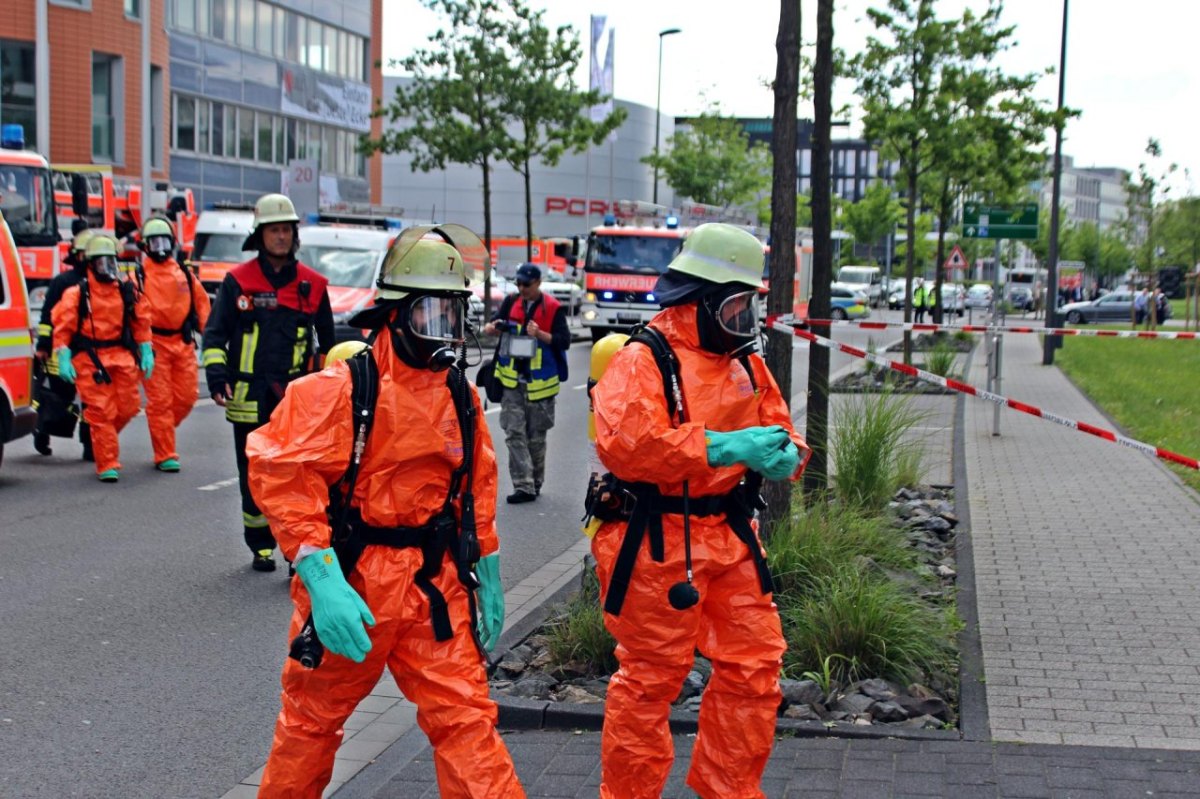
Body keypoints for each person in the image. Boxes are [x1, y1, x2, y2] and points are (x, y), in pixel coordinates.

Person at [245, 225, 524, 799]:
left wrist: (488, 573)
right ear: (395, 316)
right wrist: (321, 579)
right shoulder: (340, 391)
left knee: (468, 721)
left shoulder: (458, 397)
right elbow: (281, 471)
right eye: (431, 316)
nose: (445, 333)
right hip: (355, 582)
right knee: (310, 728)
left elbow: (475, 490)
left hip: (434, 587)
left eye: (453, 315)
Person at [588, 223, 810, 799]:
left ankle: (729, 790)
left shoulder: (745, 361)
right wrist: (722, 446)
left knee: (754, 670)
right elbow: (628, 443)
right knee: (649, 683)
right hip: (658, 542)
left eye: (749, 308)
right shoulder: (645, 358)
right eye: (737, 306)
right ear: (703, 300)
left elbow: (777, 425)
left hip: (730, 535)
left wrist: (788, 454)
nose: (746, 321)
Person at [201, 193, 334, 572]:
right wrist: (216, 376)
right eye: (274, 230)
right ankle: (260, 545)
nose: (281, 237)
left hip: (297, 400)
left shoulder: (313, 285)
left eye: (287, 230)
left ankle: (298, 548)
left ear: (295, 236)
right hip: (248, 397)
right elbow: (214, 336)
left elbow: (329, 346)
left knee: (299, 477)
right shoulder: (237, 282)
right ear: (260, 235)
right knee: (254, 474)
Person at [50, 234, 153, 482]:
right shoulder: (77, 294)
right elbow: (62, 327)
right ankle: (106, 462)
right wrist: (62, 355)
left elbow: (141, 322)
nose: (108, 269)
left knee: (128, 407)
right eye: (102, 263)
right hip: (90, 359)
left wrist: (146, 349)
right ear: (91, 265)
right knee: (100, 412)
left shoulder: (126, 291)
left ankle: (102, 439)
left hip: (121, 355)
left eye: (111, 263)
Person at [482, 262, 570, 504]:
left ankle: (535, 482)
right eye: (518, 283)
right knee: (513, 434)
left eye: (526, 284)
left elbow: (564, 341)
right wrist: (491, 328)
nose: (522, 288)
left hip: (540, 384)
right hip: (512, 383)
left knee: (535, 438)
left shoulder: (553, 308)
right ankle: (523, 485)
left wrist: (540, 334)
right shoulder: (511, 302)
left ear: (538, 283)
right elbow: (494, 323)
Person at [139, 216, 211, 472]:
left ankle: (163, 429)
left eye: (164, 241)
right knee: (160, 402)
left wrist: (212, 339)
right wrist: (141, 344)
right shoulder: (139, 276)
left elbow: (202, 307)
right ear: (146, 245)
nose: (159, 247)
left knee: (187, 396)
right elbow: (133, 312)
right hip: (154, 344)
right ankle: (165, 453)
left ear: (172, 243)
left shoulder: (185, 274)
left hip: (182, 343)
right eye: (154, 242)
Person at [33, 227, 95, 459]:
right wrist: (43, 346)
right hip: (64, 350)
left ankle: (89, 445)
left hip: (92, 351)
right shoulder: (63, 282)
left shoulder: (103, 283)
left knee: (92, 402)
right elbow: (48, 317)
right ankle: (42, 432)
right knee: (59, 398)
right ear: (77, 255)